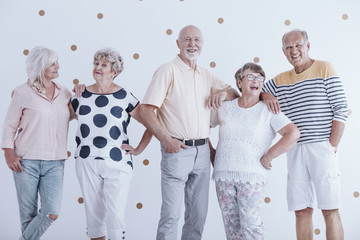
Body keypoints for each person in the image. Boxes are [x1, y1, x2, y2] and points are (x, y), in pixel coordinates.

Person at [139, 25, 239, 240]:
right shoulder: (168, 70)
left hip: (203, 152)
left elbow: (234, 93)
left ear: (202, 44)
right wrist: (166, 140)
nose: (192, 44)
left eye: (196, 40)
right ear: (178, 44)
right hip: (176, 150)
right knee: (171, 216)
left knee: (197, 217)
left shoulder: (205, 74)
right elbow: (146, 110)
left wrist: (221, 94)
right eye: (187, 40)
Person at [262, 29, 348, 240]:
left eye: (298, 45)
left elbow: (341, 108)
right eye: (289, 47)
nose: (294, 51)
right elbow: (258, 90)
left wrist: (332, 145)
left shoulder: (325, 68)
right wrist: (265, 94)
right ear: (283, 52)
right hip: (295, 149)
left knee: (329, 209)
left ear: (308, 46)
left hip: (322, 147)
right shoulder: (281, 79)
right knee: (302, 210)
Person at [210, 62, 300, 240]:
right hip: (223, 175)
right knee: (232, 228)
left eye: (260, 78)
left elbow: (293, 133)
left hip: (252, 177)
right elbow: (202, 127)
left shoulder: (269, 109)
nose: (256, 81)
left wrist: (268, 157)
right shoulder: (225, 107)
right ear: (239, 81)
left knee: (251, 227)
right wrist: (211, 152)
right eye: (251, 77)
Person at [71, 48, 152, 240]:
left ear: (114, 72)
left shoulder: (125, 96)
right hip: (86, 160)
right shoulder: (79, 96)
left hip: (118, 162)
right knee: (94, 217)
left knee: (115, 215)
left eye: (104, 65)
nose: (98, 67)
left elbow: (151, 123)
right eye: (96, 63)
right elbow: (57, 117)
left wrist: (139, 149)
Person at [1, 46, 74, 240]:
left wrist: (82, 94)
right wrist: (8, 154)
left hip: (55, 162)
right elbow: (9, 126)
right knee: (28, 216)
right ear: (40, 65)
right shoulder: (22, 92)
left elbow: (75, 115)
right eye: (52, 62)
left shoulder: (65, 92)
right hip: (26, 162)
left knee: (51, 212)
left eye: (57, 61)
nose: (57, 66)